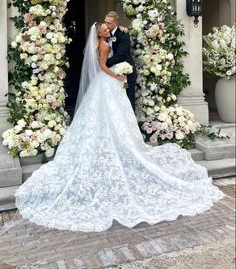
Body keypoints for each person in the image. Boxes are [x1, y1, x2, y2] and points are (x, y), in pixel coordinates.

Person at [13, 22, 223, 233]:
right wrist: (118, 76)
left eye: (107, 28)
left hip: (102, 84)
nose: (107, 30)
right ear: (100, 33)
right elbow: (104, 67)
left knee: (106, 115)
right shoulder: (104, 46)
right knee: (112, 114)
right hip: (108, 80)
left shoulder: (99, 44)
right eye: (104, 29)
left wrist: (120, 33)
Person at [104, 11, 137, 112]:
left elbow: (121, 55)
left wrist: (104, 64)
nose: (106, 25)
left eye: (109, 23)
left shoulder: (123, 34)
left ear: (115, 23)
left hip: (125, 72)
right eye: (105, 22)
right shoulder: (104, 33)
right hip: (111, 73)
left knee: (127, 100)